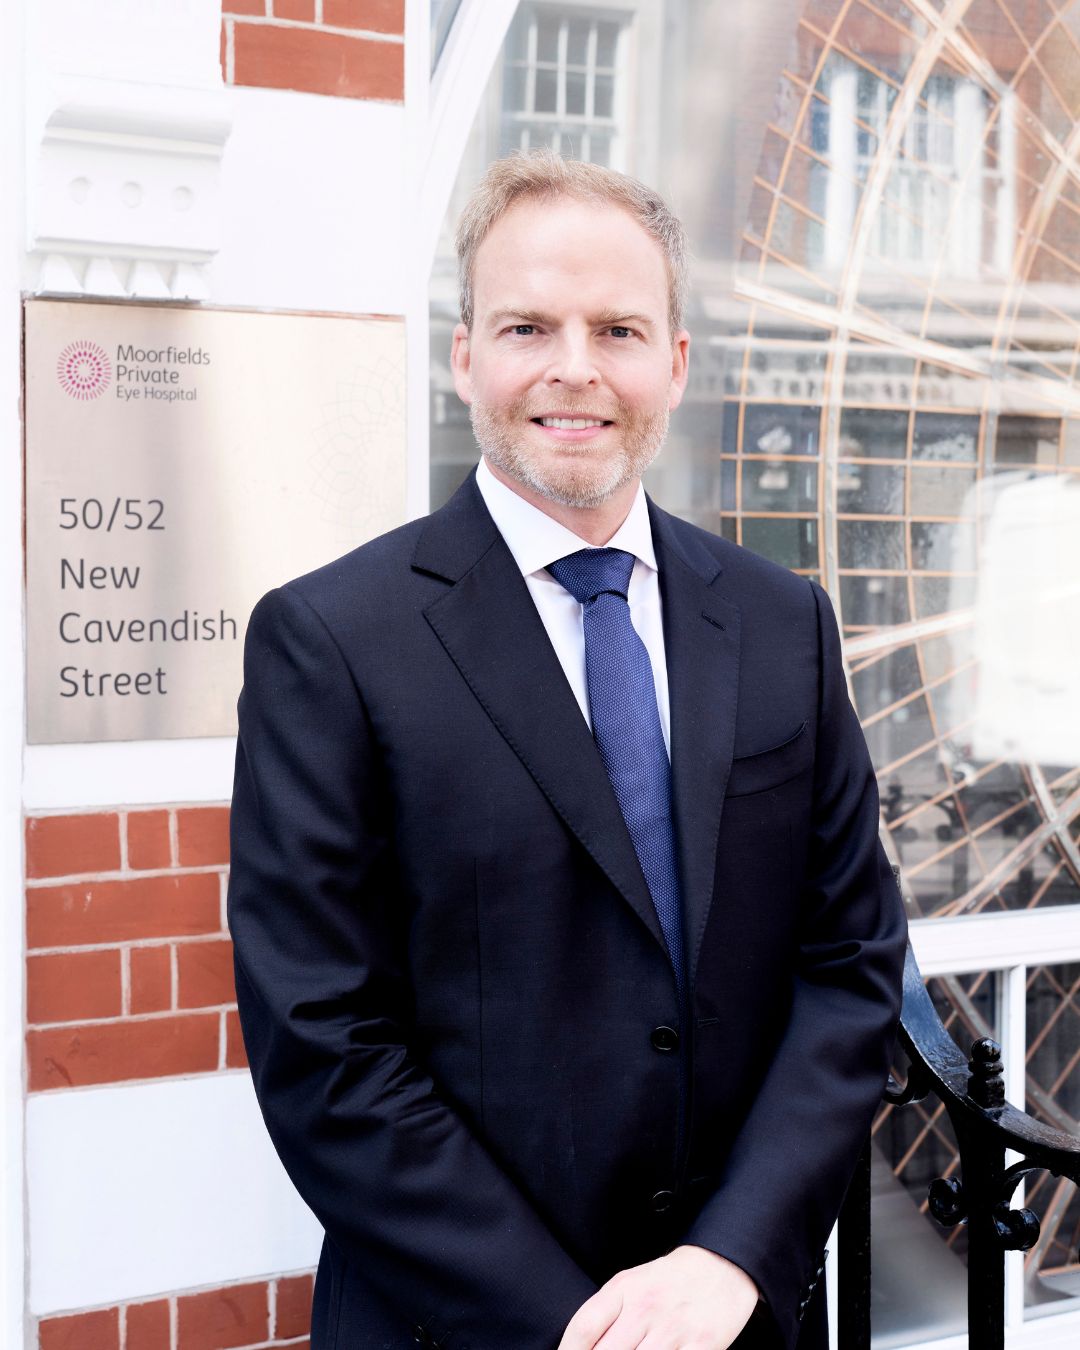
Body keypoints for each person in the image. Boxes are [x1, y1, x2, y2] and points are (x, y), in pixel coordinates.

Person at [228, 151, 907, 1350]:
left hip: (737, 1320)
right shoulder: (331, 639)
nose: (576, 367)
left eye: (620, 328)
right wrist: (576, 1330)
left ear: (676, 363)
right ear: (465, 356)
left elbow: (851, 964)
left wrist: (730, 1259)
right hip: (465, 1327)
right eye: (528, 325)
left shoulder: (777, 618)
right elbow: (327, 1047)